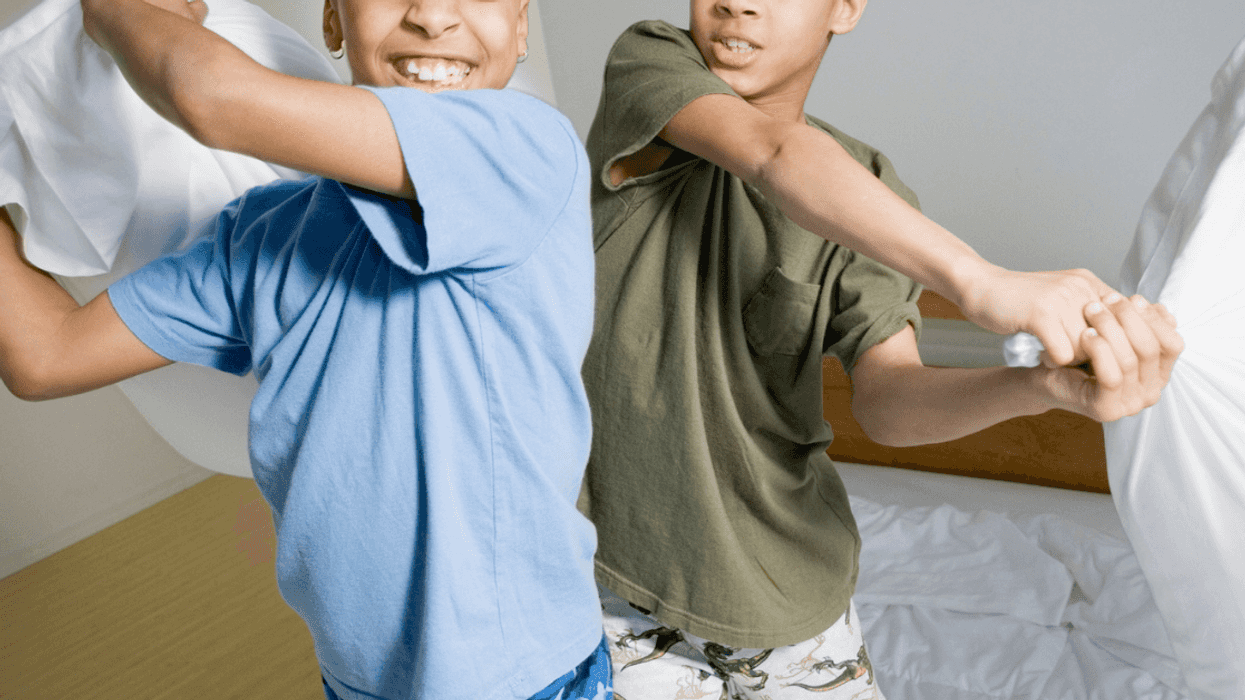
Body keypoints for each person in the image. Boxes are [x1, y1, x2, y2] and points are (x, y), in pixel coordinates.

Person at [0, 0, 611, 698]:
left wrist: (110, 10)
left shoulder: (521, 149)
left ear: (522, 26)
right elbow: (45, 354)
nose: (435, 16)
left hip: (523, 675)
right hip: (362, 679)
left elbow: (212, 98)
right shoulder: (263, 238)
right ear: (331, 22)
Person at [576, 1, 1183, 698]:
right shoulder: (651, 61)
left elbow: (890, 405)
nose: (737, 3)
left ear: (844, 7)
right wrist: (979, 282)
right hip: (616, 592)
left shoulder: (872, 194)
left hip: (792, 594)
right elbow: (775, 154)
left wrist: (1042, 387)